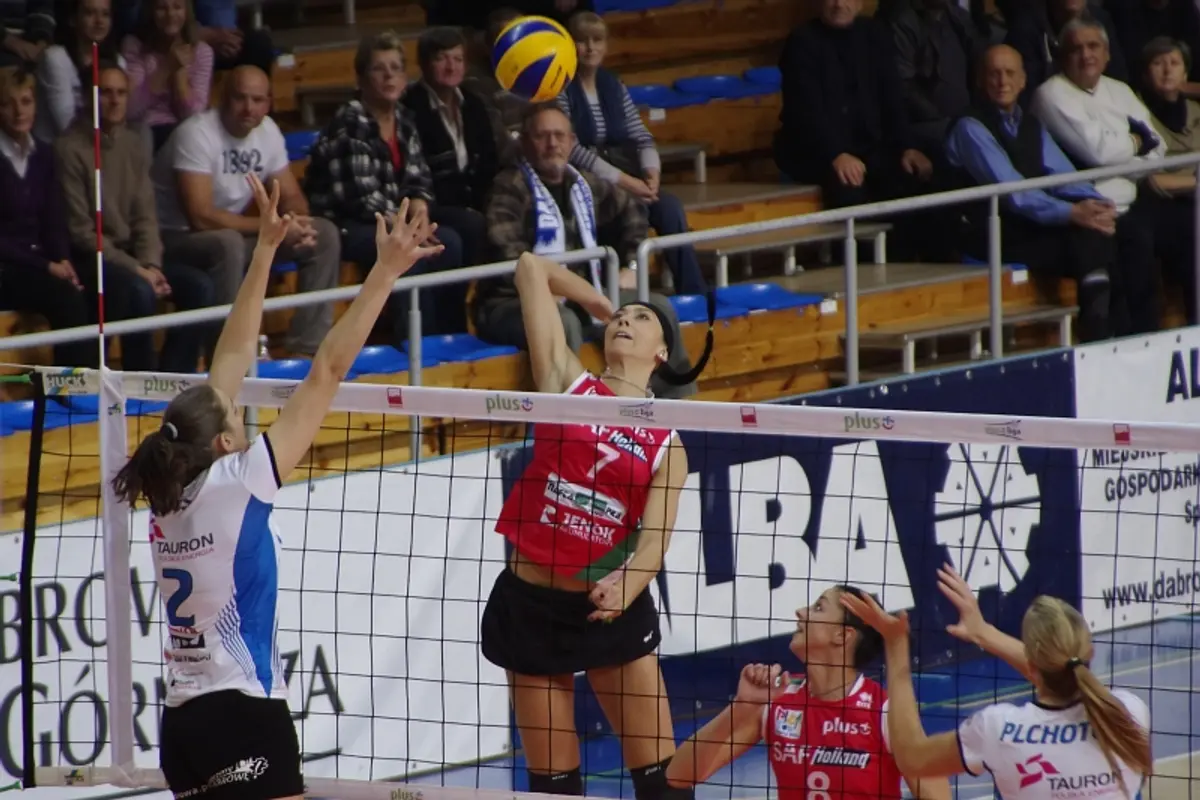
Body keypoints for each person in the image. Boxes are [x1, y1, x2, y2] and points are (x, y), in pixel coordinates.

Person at [110, 174, 441, 800]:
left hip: (182, 726)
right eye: (235, 417)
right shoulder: (241, 482)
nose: (241, 409)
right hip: (244, 717)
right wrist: (385, 273)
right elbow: (329, 370)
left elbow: (225, 368)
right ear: (225, 445)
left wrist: (264, 251)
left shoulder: (166, 491)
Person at [480, 250, 714, 800]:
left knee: (662, 785)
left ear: (662, 351)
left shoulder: (667, 444)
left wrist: (624, 588)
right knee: (555, 788)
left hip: (609, 611)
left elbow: (654, 543)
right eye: (623, 318)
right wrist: (598, 300)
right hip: (531, 605)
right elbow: (530, 267)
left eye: (643, 318)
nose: (627, 322)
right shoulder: (566, 383)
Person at [841, 567, 1152, 800]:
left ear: (1031, 663)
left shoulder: (999, 729)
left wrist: (896, 646)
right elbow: (1066, 674)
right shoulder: (1128, 713)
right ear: (1091, 652)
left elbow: (912, 757)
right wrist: (983, 633)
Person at [477, 103, 697, 399]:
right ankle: (571, 425)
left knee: (658, 310)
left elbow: (633, 212)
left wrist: (630, 266)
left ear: (571, 142)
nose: (552, 143)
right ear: (526, 143)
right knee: (562, 322)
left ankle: (677, 410)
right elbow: (508, 252)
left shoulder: (583, 183)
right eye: (542, 136)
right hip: (512, 303)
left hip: (584, 293)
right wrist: (544, 290)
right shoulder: (508, 187)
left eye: (559, 135)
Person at [666, 585, 950, 800]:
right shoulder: (778, 702)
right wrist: (740, 708)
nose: (800, 612)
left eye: (817, 608)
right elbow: (679, 774)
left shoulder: (884, 713)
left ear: (842, 635)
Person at [154, 65, 341, 358]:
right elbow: (201, 216)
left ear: (268, 102)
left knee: (323, 234)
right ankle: (229, 355)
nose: (248, 108)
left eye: (257, 100)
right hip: (176, 238)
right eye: (240, 98)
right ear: (223, 98)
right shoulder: (195, 134)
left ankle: (306, 351)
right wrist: (275, 227)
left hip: (232, 234)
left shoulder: (267, 132)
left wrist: (296, 222)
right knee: (226, 243)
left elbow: (290, 194)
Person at [946, 44, 1118, 341]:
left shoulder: (1031, 124)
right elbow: (1015, 193)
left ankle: (1114, 331)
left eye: (1010, 73)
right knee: (1086, 239)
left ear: (1024, 80)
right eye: (994, 74)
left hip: (1027, 225)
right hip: (988, 234)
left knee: (1117, 233)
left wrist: (1097, 206)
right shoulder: (970, 127)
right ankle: (1098, 335)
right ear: (979, 80)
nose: (1002, 82)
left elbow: (1063, 176)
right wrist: (1073, 213)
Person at [305, 30, 468, 338]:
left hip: (396, 219)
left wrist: (420, 216)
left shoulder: (404, 118)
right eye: (380, 68)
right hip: (349, 224)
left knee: (450, 243)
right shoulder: (350, 122)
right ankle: (413, 343)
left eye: (396, 68)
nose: (390, 76)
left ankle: (451, 338)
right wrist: (408, 228)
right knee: (407, 252)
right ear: (362, 80)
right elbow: (359, 196)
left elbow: (419, 177)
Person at [56, 60, 215, 372]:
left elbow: (146, 216)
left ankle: (172, 378)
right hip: (94, 258)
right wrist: (138, 270)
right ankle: (137, 384)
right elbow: (83, 233)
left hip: (134, 258)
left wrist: (151, 264)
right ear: (88, 97)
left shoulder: (133, 143)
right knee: (138, 291)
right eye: (106, 93)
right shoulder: (68, 148)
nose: (114, 101)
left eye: (121, 93)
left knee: (200, 287)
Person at [558, 11, 706, 295]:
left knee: (669, 206)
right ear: (569, 45)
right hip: (587, 180)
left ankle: (693, 293)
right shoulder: (560, 87)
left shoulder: (614, 85)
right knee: (631, 201)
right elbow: (572, 150)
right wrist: (625, 181)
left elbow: (641, 136)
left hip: (629, 175)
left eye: (597, 40)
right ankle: (630, 285)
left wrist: (652, 175)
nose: (590, 48)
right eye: (582, 40)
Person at [0, 66, 95, 368]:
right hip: (7, 267)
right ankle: (69, 394)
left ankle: (109, 386)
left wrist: (63, 260)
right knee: (65, 297)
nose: (18, 111)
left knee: (102, 284)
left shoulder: (45, 153)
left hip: (41, 262)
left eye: (26, 101)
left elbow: (54, 218)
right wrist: (48, 266)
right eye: (8, 103)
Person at [120, 0, 214, 151]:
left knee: (192, 134)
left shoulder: (202, 52)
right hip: (145, 130)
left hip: (183, 131)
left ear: (186, 12)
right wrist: (166, 68)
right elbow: (131, 109)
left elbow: (193, 115)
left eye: (177, 7)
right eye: (162, 8)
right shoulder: (134, 46)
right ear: (151, 12)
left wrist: (179, 73)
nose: (170, 14)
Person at [35, 0, 123, 140]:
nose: (99, 21)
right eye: (90, 13)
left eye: (105, 14)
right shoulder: (56, 58)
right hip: (58, 149)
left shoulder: (118, 61)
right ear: (73, 19)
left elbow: (120, 118)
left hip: (101, 145)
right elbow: (66, 124)